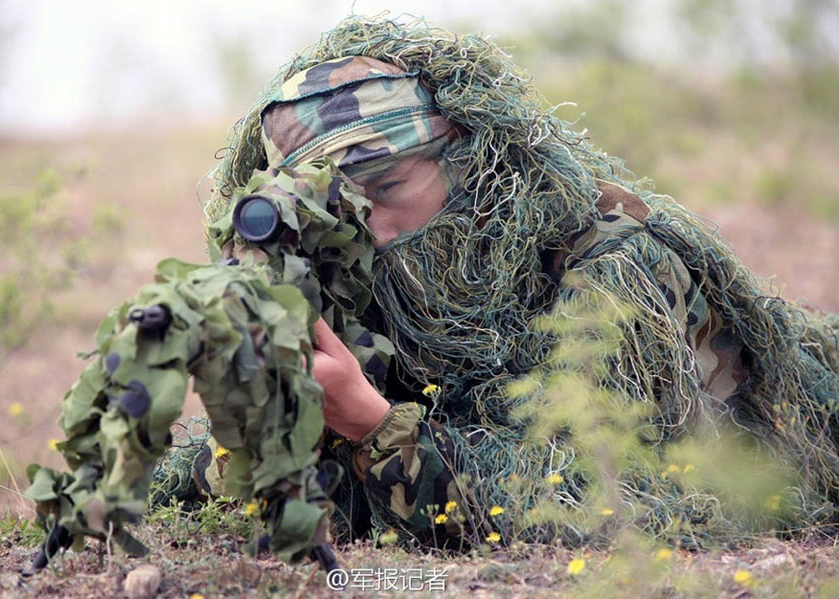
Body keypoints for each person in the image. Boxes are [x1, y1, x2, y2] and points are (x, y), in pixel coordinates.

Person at [180, 15, 839, 549]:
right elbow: (307, 523)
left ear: (468, 152)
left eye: (388, 188)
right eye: (342, 207)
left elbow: (620, 502)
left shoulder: (610, 265)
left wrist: (378, 428)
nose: (373, 228)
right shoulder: (358, 278)